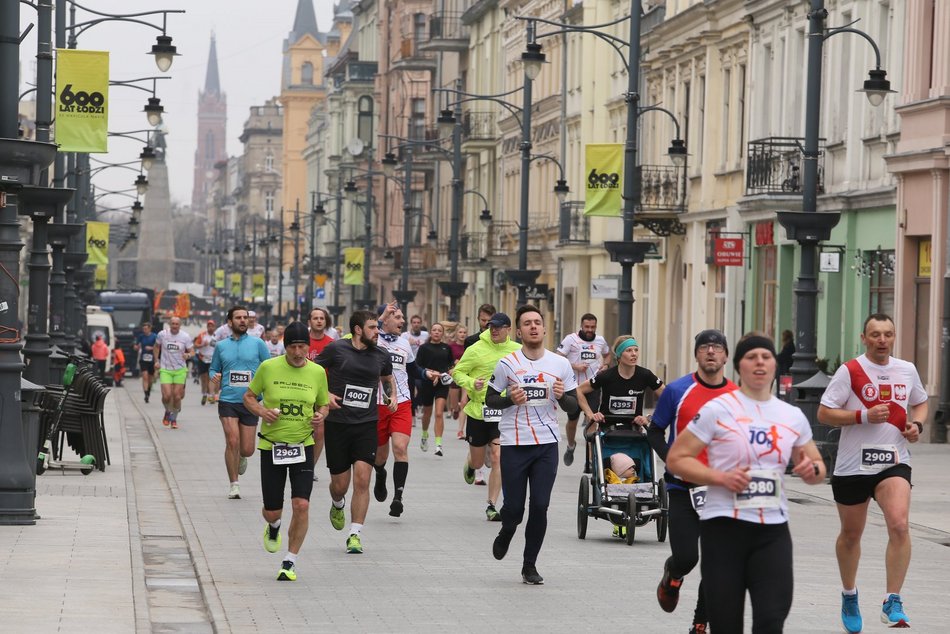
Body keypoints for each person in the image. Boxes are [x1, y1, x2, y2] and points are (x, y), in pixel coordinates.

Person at [666, 332, 826, 633]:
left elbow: (817, 466)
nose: (760, 363)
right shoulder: (719, 409)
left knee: (770, 620)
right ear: (739, 366)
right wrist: (720, 477)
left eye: (766, 357)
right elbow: (677, 458)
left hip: (772, 532)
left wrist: (811, 470)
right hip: (723, 529)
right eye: (752, 357)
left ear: (775, 366)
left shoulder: (791, 415)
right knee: (726, 625)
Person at [817, 313, 928, 631]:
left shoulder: (906, 370)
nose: (882, 340)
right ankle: (849, 594)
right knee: (851, 535)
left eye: (888, 334)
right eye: (875, 334)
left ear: (894, 337)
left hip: (893, 461)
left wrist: (916, 424)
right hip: (853, 466)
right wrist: (862, 416)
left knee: (900, 525)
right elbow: (824, 413)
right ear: (864, 338)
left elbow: (920, 403)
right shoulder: (849, 371)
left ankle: (892, 599)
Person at [647, 329, 737, 634]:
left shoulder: (737, 395)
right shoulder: (677, 390)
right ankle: (672, 576)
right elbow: (655, 430)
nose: (711, 352)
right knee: (687, 556)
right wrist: (673, 458)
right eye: (705, 348)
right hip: (683, 488)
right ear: (696, 354)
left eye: (717, 348)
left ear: (726, 356)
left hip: (721, 490)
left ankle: (701, 622)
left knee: (718, 562)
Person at [486, 305, 578, 585]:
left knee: (540, 505)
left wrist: (562, 398)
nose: (534, 327)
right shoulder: (508, 363)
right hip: (514, 443)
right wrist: (508, 400)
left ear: (545, 328)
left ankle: (529, 565)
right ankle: (507, 530)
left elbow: (574, 408)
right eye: (527, 323)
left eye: (538, 322)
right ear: (519, 331)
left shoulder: (559, 364)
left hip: (546, 445)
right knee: (514, 509)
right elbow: (490, 400)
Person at [243, 321, 329, 581]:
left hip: (303, 445)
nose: (298, 352)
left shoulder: (317, 372)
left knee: (301, 504)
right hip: (272, 445)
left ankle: (289, 561)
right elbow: (248, 397)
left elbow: (323, 404)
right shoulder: (268, 368)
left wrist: (319, 416)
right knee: (273, 510)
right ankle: (273, 526)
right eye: (293, 347)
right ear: (285, 346)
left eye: (302, 346)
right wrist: (262, 411)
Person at [315, 309, 397, 554]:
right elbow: (313, 372)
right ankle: (337, 502)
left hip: (366, 423)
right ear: (358, 329)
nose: (377, 331)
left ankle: (355, 534)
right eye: (373, 327)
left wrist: (391, 396)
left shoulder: (381, 354)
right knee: (340, 485)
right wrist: (325, 394)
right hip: (338, 424)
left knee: (363, 479)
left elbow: (386, 378)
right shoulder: (336, 349)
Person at [577, 334, 664, 537]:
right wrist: (591, 414)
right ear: (619, 355)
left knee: (640, 459)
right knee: (612, 463)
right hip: (608, 432)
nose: (633, 354)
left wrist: (649, 417)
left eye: (635, 350)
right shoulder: (607, 376)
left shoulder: (645, 375)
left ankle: (642, 489)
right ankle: (615, 505)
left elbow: (667, 396)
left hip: (634, 432)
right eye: (628, 350)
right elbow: (580, 391)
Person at [451, 312, 520, 520]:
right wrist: (473, 384)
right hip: (478, 411)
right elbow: (457, 372)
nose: (494, 330)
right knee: (480, 461)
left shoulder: (517, 351)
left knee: (498, 458)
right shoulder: (475, 349)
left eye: (498, 327)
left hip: (503, 411)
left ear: (508, 329)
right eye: (491, 327)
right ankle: (471, 464)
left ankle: (491, 505)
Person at [210, 306, 271, 500]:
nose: (243, 320)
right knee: (232, 441)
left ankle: (242, 456)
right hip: (228, 399)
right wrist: (215, 376)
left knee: (247, 448)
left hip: (251, 402)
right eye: (239, 318)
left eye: (246, 317)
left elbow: (269, 368)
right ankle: (234, 484)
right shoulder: (221, 346)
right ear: (230, 322)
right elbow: (213, 369)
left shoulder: (258, 344)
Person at [371, 302, 417, 516]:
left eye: (401, 318)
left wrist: (430, 375)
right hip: (378, 404)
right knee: (380, 456)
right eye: (397, 317)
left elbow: (413, 369)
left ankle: (398, 497)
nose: (402, 321)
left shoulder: (405, 343)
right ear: (385, 320)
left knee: (400, 448)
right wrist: (380, 318)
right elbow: (367, 331)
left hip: (402, 403)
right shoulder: (373, 339)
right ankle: (380, 473)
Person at [557, 313, 611, 467]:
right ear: (581, 326)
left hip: (592, 387)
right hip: (573, 387)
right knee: (572, 421)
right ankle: (571, 445)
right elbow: (558, 357)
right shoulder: (571, 340)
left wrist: (605, 365)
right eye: (587, 327)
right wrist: (575, 366)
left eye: (592, 327)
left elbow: (607, 355)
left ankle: (590, 460)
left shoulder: (600, 340)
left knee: (592, 420)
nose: (589, 330)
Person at [416, 322, 455, 457]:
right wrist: (431, 373)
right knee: (427, 413)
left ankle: (438, 445)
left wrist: (451, 370)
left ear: (442, 333)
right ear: (431, 333)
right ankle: (425, 434)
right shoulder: (424, 348)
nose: (437, 332)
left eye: (439, 330)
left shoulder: (446, 348)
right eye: (434, 330)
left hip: (442, 384)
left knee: (439, 413)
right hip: (428, 383)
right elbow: (418, 366)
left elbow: (451, 364)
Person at [306, 307, 335, 480]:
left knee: (319, 432)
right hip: (301, 389)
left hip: (322, 391)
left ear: (326, 322)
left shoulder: (332, 343)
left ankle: (310, 467)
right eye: (315, 318)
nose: (318, 321)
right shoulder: (302, 341)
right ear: (309, 321)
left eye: (321, 318)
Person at [154, 317, 195, 429]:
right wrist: (156, 361)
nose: (174, 326)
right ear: (169, 324)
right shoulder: (162, 334)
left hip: (180, 369)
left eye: (177, 324)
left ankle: (174, 419)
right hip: (165, 369)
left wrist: (188, 355)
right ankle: (168, 411)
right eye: (173, 324)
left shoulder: (185, 336)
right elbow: (156, 347)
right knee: (166, 396)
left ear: (180, 325)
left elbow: (192, 351)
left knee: (177, 396)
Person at [194, 320, 217, 405]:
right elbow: (195, 345)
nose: (210, 328)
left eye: (212, 326)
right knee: (204, 378)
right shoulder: (202, 335)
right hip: (203, 358)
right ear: (207, 327)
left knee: (212, 378)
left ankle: (211, 395)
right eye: (209, 326)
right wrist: (202, 345)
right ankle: (204, 394)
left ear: (214, 327)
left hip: (213, 360)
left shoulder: (217, 336)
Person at [447, 324, 467, 421]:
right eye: (460, 332)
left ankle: (461, 428)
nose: (462, 334)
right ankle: (455, 409)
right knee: (454, 403)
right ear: (456, 333)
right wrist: (454, 362)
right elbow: (447, 359)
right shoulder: (451, 346)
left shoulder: (469, 345)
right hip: (454, 374)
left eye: (464, 332)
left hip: (466, 374)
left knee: (464, 402)